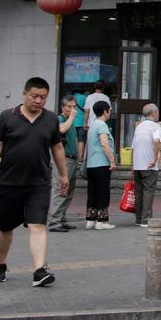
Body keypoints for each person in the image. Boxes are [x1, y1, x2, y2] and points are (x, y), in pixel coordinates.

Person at [0, 77, 67, 287]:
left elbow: (57, 149)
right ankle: (1, 264)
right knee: (5, 228)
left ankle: (39, 271)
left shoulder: (51, 119)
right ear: (24, 94)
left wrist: (64, 174)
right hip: (9, 182)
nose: (39, 101)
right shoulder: (7, 117)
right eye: (35, 96)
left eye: (43, 97)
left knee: (38, 225)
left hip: (39, 182)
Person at [47, 97, 80, 230]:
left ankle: (62, 218)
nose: (72, 110)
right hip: (63, 159)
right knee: (61, 188)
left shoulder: (69, 120)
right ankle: (54, 221)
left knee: (69, 190)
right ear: (62, 107)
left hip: (72, 159)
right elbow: (61, 130)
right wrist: (72, 117)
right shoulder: (60, 119)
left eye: (74, 107)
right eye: (69, 107)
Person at [84, 101, 117, 230]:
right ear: (105, 111)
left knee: (92, 192)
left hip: (91, 164)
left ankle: (91, 220)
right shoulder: (102, 125)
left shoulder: (92, 125)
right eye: (109, 110)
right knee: (103, 192)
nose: (110, 112)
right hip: (102, 164)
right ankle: (101, 221)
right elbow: (104, 144)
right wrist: (112, 161)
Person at [131, 104, 161, 227]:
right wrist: (154, 158)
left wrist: (132, 165)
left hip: (138, 164)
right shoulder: (155, 126)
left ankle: (138, 218)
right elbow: (156, 141)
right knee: (148, 191)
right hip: (149, 165)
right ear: (153, 113)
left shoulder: (139, 127)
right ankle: (146, 219)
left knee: (139, 192)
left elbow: (133, 146)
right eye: (157, 112)